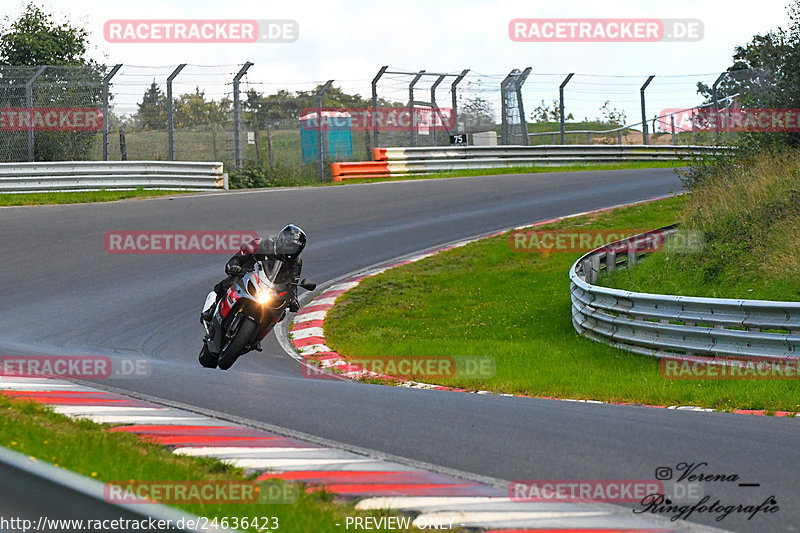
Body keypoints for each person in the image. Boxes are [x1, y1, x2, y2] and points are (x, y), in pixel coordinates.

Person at [201, 224, 307, 329]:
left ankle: (256, 337)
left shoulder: (296, 262)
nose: (291, 250)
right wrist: (233, 265)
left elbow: (294, 283)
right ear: (282, 241)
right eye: (290, 246)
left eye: (295, 248)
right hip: (250, 276)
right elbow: (240, 255)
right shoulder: (262, 244)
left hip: (272, 288)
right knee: (231, 281)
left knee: (281, 312)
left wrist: (294, 300)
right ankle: (213, 309)